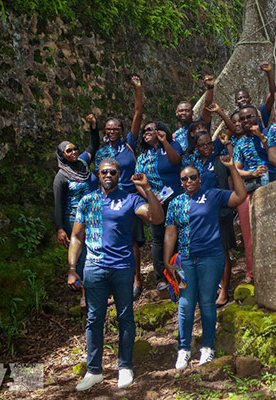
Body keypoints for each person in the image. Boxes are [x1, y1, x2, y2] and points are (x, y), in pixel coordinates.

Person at [67, 159, 164, 391]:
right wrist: (72, 269)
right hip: (93, 267)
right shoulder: (87, 201)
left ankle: (125, 367)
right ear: (98, 174)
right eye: (104, 172)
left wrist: (147, 188)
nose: (108, 175)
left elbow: (157, 217)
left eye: (112, 171)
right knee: (94, 319)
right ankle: (94, 371)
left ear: (119, 174)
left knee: (125, 317)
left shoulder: (130, 199)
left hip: (122, 267)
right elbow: (76, 237)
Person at [164, 157, 246, 369]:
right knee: (185, 303)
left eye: (192, 177)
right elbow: (170, 233)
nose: (189, 181)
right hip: (184, 260)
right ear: (180, 182)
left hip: (211, 257)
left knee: (207, 302)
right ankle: (183, 348)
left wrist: (231, 169)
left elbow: (240, 196)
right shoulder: (176, 203)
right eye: (184, 179)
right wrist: (167, 261)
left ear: (200, 178)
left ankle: (207, 346)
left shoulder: (212, 195)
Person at [93, 75, 145, 298]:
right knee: (111, 238)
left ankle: (136, 278)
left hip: (128, 196)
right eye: (109, 129)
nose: (112, 131)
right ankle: (112, 279)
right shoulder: (101, 153)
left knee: (132, 240)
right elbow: (97, 176)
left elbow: (138, 114)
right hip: (106, 199)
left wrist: (137, 90)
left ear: (121, 130)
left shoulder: (129, 145)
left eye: (116, 128)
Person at [183, 130, 237, 304]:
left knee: (222, 250)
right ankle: (212, 287)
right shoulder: (195, 165)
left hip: (220, 211)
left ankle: (224, 290)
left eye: (209, 143)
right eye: (202, 145)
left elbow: (231, 173)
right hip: (201, 213)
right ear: (196, 147)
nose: (206, 147)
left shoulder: (220, 159)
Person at [54, 114, 99, 307]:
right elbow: (58, 204)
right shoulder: (61, 177)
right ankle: (84, 292)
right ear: (62, 155)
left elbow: (94, 146)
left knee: (98, 249)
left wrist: (93, 126)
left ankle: (100, 287)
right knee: (82, 254)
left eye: (74, 148)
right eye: (68, 150)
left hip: (96, 214)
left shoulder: (82, 163)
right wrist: (60, 228)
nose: (72, 152)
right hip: (75, 218)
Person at [135, 121, 183, 293]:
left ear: (159, 131)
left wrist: (165, 142)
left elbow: (176, 161)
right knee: (158, 238)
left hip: (176, 198)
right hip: (156, 202)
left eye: (149, 129)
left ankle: (179, 272)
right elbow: (138, 181)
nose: (145, 133)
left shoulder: (172, 145)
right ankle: (161, 277)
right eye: (143, 131)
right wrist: (151, 197)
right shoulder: (142, 156)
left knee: (178, 235)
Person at [234, 105, 269, 284]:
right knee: (248, 232)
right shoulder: (240, 143)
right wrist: (252, 173)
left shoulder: (270, 134)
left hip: (270, 188)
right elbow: (236, 169)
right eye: (243, 119)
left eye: (250, 117)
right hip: (249, 189)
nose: (246, 121)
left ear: (257, 117)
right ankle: (251, 272)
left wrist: (262, 137)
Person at [172, 75, 215, 152]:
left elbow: (207, 105)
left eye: (187, 110)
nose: (184, 113)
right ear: (176, 113)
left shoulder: (200, 125)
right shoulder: (175, 135)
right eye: (181, 111)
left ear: (192, 112)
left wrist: (210, 87)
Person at [235, 61, 276, 129]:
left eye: (245, 97)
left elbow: (272, 94)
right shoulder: (235, 119)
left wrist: (268, 72)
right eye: (240, 98)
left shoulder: (260, 112)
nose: (243, 99)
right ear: (236, 102)